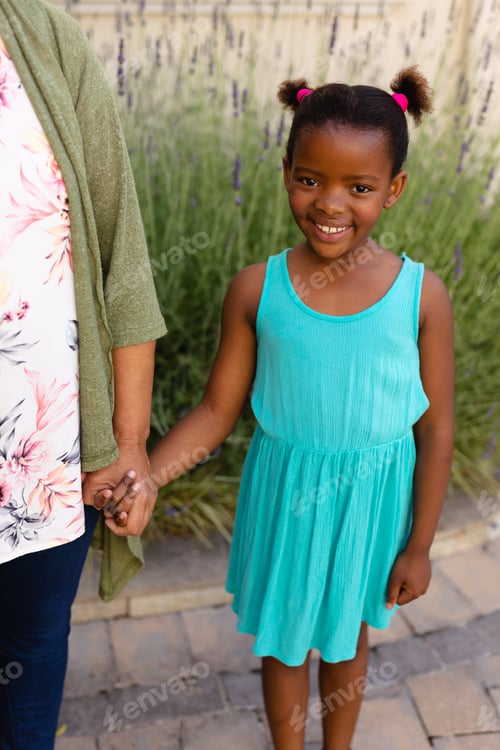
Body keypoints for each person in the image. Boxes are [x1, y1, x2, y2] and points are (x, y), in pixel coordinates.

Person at [110, 66, 454, 750]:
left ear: (394, 190)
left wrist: (419, 544)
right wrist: (145, 474)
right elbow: (216, 410)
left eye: (359, 187)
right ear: (285, 173)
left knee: (346, 635)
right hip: (288, 495)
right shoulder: (255, 290)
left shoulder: (422, 295)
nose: (330, 203)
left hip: (371, 504)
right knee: (285, 642)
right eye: (309, 179)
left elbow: (436, 427)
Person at [0, 1, 166, 748]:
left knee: (29, 656)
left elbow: (120, 260)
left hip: (44, 461)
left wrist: (127, 444)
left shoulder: (43, 37)